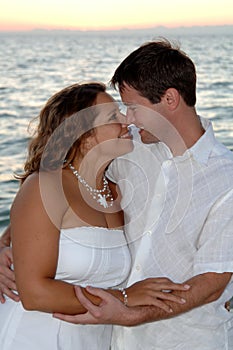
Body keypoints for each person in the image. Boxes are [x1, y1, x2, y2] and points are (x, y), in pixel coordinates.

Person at [51, 40, 233, 349]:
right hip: (112, 340)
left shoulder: (225, 180)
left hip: (186, 341)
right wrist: (11, 240)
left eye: (134, 108)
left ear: (170, 99)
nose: (127, 119)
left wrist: (130, 315)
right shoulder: (131, 145)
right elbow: (70, 177)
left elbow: (212, 281)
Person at [0, 81, 188, 350]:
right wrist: (125, 298)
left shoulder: (119, 192)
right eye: (113, 116)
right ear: (84, 134)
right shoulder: (47, 186)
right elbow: (34, 293)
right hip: (30, 337)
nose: (126, 120)